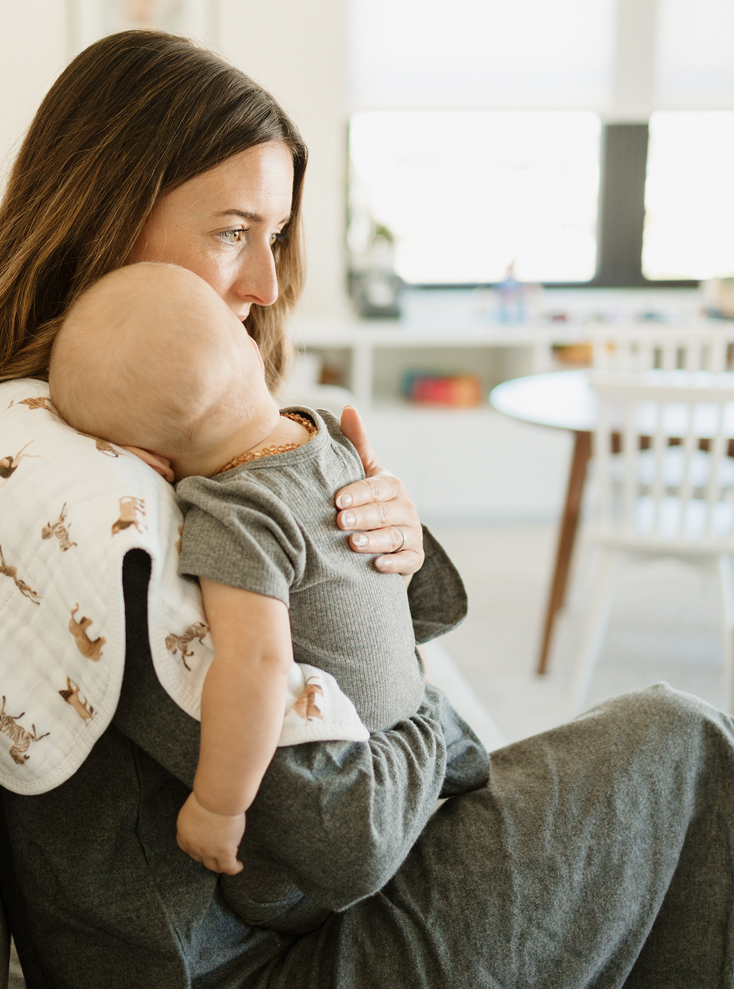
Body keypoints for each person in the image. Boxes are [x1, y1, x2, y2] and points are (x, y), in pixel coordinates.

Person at [0, 29, 734, 988]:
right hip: (259, 965)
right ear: (101, 217)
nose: (266, 285)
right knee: (682, 749)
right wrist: (431, 720)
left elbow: (389, 631)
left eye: (273, 236)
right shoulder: (80, 499)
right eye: (232, 232)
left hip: (292, 923)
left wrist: (367, 547)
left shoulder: (103, 434)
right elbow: (339, 825)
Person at [48, 261, 486, 897]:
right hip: (421, 704)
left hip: (369, 757)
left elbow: (256, 663)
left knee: (264, 890)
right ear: (251, 349)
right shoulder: (325, 431)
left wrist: (218, 806)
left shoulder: (234, 514)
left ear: (146, 460)